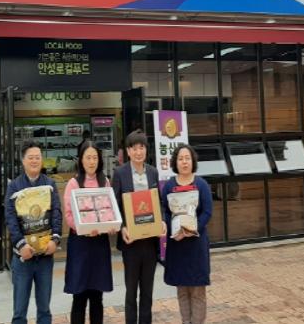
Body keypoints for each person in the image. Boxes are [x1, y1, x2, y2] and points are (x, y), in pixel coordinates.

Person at [5, 140, 63, 324]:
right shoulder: (14, 186)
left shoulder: (50, 184)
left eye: (38, 157)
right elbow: (10, 218)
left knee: (44, 309)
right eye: (30, 157)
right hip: (23, 258)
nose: (34, 161)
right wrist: (21, 245)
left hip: (45, 257)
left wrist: (55, 240)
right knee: (19, 311)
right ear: (23, 160)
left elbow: (56, 213)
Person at [112, 129, 166, 324]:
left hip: (150, 241)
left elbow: (158, 202)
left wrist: (162, 221)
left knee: (148, 291)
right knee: (131, 291)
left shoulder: (153, 172)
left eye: (141, 147)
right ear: (128, 151)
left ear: (146, 150)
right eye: (134, 148)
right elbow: (115, 205)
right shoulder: (120, 173)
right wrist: (122, 227)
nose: (138, 152)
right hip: (131, 242)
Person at [63, 140, 116, 324]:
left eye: (95, 157)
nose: (92, 161)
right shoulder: (73, 183)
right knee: (79, 296)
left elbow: (110, 210)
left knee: (97, 296)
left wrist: (110, 225)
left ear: (99, 160)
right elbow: (69, 215)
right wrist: (83, 229)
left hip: (99, 245)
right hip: (80, 244)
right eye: (88, 157)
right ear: (81, 159)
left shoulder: (105, 182)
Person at [161, 144, 213, 324]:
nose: (184, 162)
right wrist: (174, 228)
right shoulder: (169, 185)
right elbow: (165, 211)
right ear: (175, 162)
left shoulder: (201, 185)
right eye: (181, 158)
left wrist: (193, 228)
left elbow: (207, 211)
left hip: (196, 245)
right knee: (182, 290)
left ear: (193, 161)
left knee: (198, 291)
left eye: (187, 158)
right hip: (177, 244)